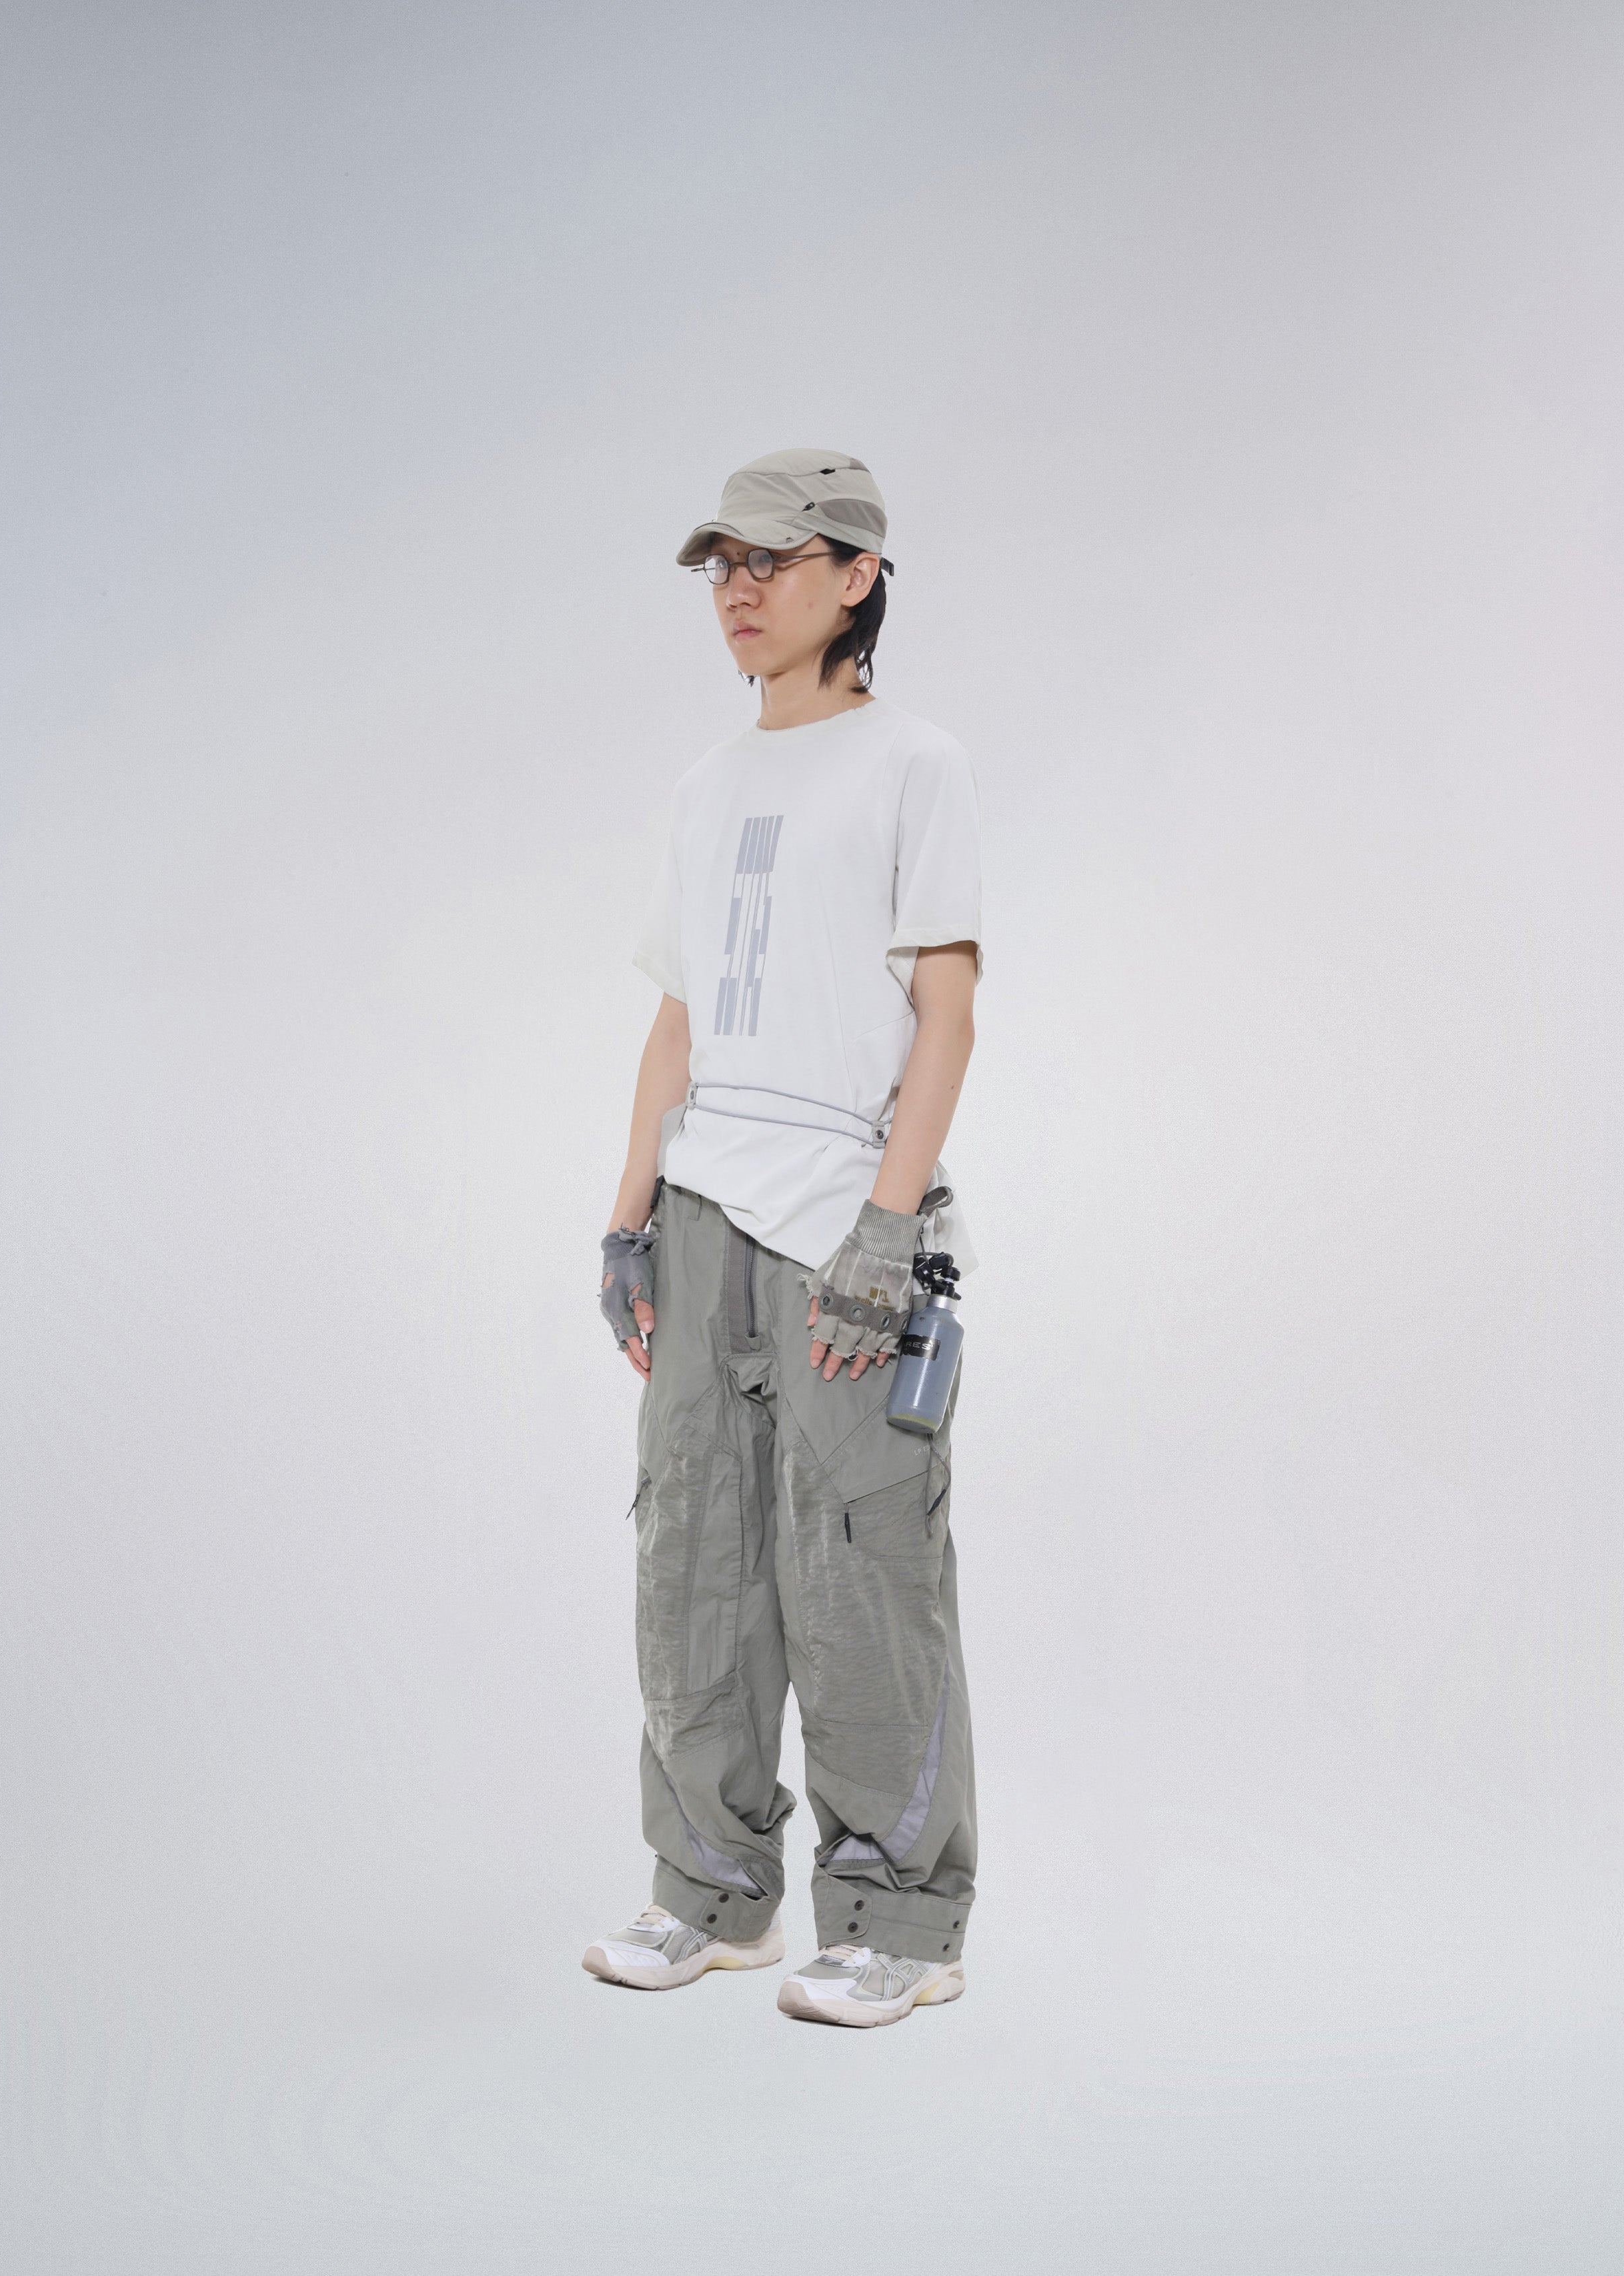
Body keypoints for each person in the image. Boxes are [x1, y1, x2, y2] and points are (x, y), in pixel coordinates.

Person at [584, 448, 982, 2029]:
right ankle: (709, 1894)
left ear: (857, 575)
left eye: (774, 558)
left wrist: (888, 1229)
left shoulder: (912, 765)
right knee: (692, 1562)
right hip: (702, 1219)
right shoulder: (707, 784)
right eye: (722, 564)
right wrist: (626, 1218)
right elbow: (678, 1021)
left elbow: (945, 1017)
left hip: (840, 1226)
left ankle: (900, 1922)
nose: (738, 589)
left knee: (861, 1570)